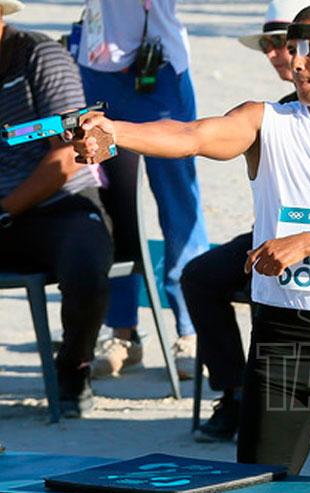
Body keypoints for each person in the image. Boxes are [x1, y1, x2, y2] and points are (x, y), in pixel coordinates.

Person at [73, 2, 310, 482]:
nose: (297, 63)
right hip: (280, 347)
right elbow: (191, 135)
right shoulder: (266, 122)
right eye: (293, 50)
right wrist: (116, 131)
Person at [185, 0, 310, 444]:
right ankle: (235, 391)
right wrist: (119, 132)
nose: (283, 56)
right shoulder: (276, 110)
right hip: (281, 239)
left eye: (295, 46)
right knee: (200, 276)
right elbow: (196, 136)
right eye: (272, 46)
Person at [77, 0, 208, 380]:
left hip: (160, 70)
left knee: (177, 199)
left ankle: (191, 331)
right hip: (98, 71)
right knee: (111, 200)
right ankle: (122, 332)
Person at [0, 0, 113, 418]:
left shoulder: (39, 55)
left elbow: (68, 155)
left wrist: (4, 209)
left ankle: (74, 366)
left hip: (62, 205)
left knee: (85, 271)